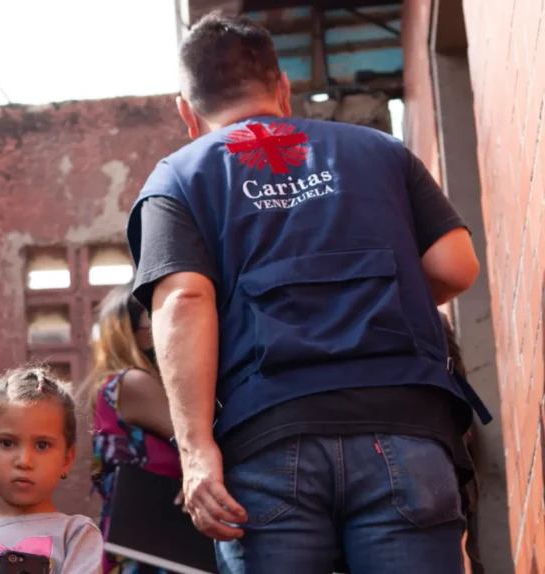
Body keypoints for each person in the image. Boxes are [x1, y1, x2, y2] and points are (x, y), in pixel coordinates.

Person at [126, 12, 489, 573]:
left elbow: (184, 301)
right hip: (404, 425)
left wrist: (196, 450)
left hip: (269, 437)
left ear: (187, 112)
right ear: (283, 87)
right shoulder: (380, 150)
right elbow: (455, 266)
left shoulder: (177, 178)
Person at [0, 367, 104, 574]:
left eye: (42, 445)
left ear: (67, 459)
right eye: (7, 443)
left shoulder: (75, 535)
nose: (24, 461)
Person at [89, 284, 179, 574]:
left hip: (154, 548)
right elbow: (198, 442)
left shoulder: (115, 385)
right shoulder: (133, 383)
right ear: (131, 331)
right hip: (154, 553)